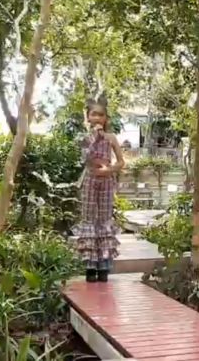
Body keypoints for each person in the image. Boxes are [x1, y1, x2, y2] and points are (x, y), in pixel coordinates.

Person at [73, 100, 125, 282]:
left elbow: (121, 162)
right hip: (89, 179)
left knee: (104, 220)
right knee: (88, 219)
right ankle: (90, 266)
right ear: (88, 117)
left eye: (100, 114)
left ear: (105, 118)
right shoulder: (84, 137)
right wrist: (95, 136)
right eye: (93, 114)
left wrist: (108, 170)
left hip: (106, 181)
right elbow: (84, 157)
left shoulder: (111, 137)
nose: (97, 117)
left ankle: (104, 265)